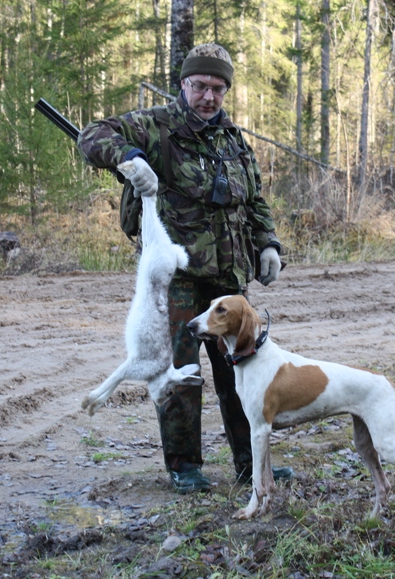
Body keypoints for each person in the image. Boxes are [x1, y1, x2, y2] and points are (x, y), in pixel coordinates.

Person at [77, 43, 292, 493]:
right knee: (178, 370)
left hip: (228, 282)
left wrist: (268, 243)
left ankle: (251, 463)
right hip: (174, 279)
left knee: (243, 371)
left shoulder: (232, 139)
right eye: (200, 86)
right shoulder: (156, 126)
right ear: (183, 84)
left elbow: (252, 200)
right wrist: (129, 158)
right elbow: (91, 136)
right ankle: (184, 467)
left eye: (217, 88)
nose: (208, 96)